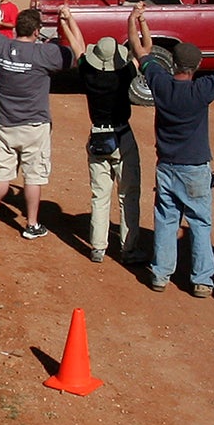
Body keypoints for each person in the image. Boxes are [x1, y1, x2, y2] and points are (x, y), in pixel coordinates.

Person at [131, 3, 214, 295]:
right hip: (196, 167)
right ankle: (202, 280)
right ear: (197, 66)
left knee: (166, 218)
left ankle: (161, 274)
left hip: (167, 165)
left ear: (174, 64)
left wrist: (135, 20)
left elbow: (142, 52)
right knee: (200, 222)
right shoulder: (203, 90)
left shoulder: (161, 83)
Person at [0, 0, 70, 240]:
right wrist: (66, 22)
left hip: (5, 123)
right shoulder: (44, 54)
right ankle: (31, 223)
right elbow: (75, 53)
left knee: (2, 175)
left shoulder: (2, 46)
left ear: (16, 28)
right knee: (33, 177)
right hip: (34, 126)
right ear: (37, 31)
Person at [58, 15, 141, 263]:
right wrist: (134, 22)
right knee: (128, 195)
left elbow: (78, 46)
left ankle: (97, 247)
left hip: (98, 137)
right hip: (122, 135)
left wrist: (68, 21)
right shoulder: (124, 73)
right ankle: (128, 248)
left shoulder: (88, 72)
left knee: (100, 195)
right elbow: (139, 52)